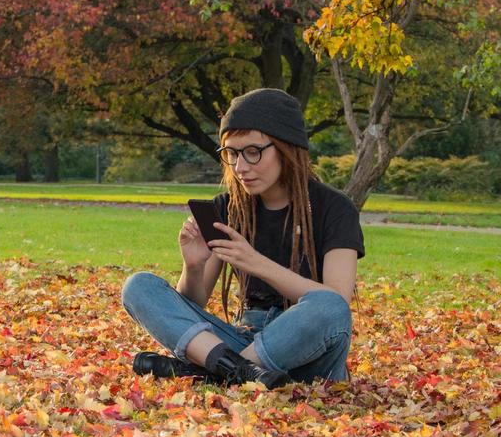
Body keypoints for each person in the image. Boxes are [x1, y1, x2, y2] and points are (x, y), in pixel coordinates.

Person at [121, 88, 364, 388]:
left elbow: (336, 304)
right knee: (139, 286)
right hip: (244, 340)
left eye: (252, 152)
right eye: (232, 154)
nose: (240, 167)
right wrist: (193, 267)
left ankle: (213, 373)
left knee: (329, 306)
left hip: (310, 353)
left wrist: (255, 262)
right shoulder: (226, 208)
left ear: (287, 147)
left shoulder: (335, 209)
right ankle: (237, 372)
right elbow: (191, 307)